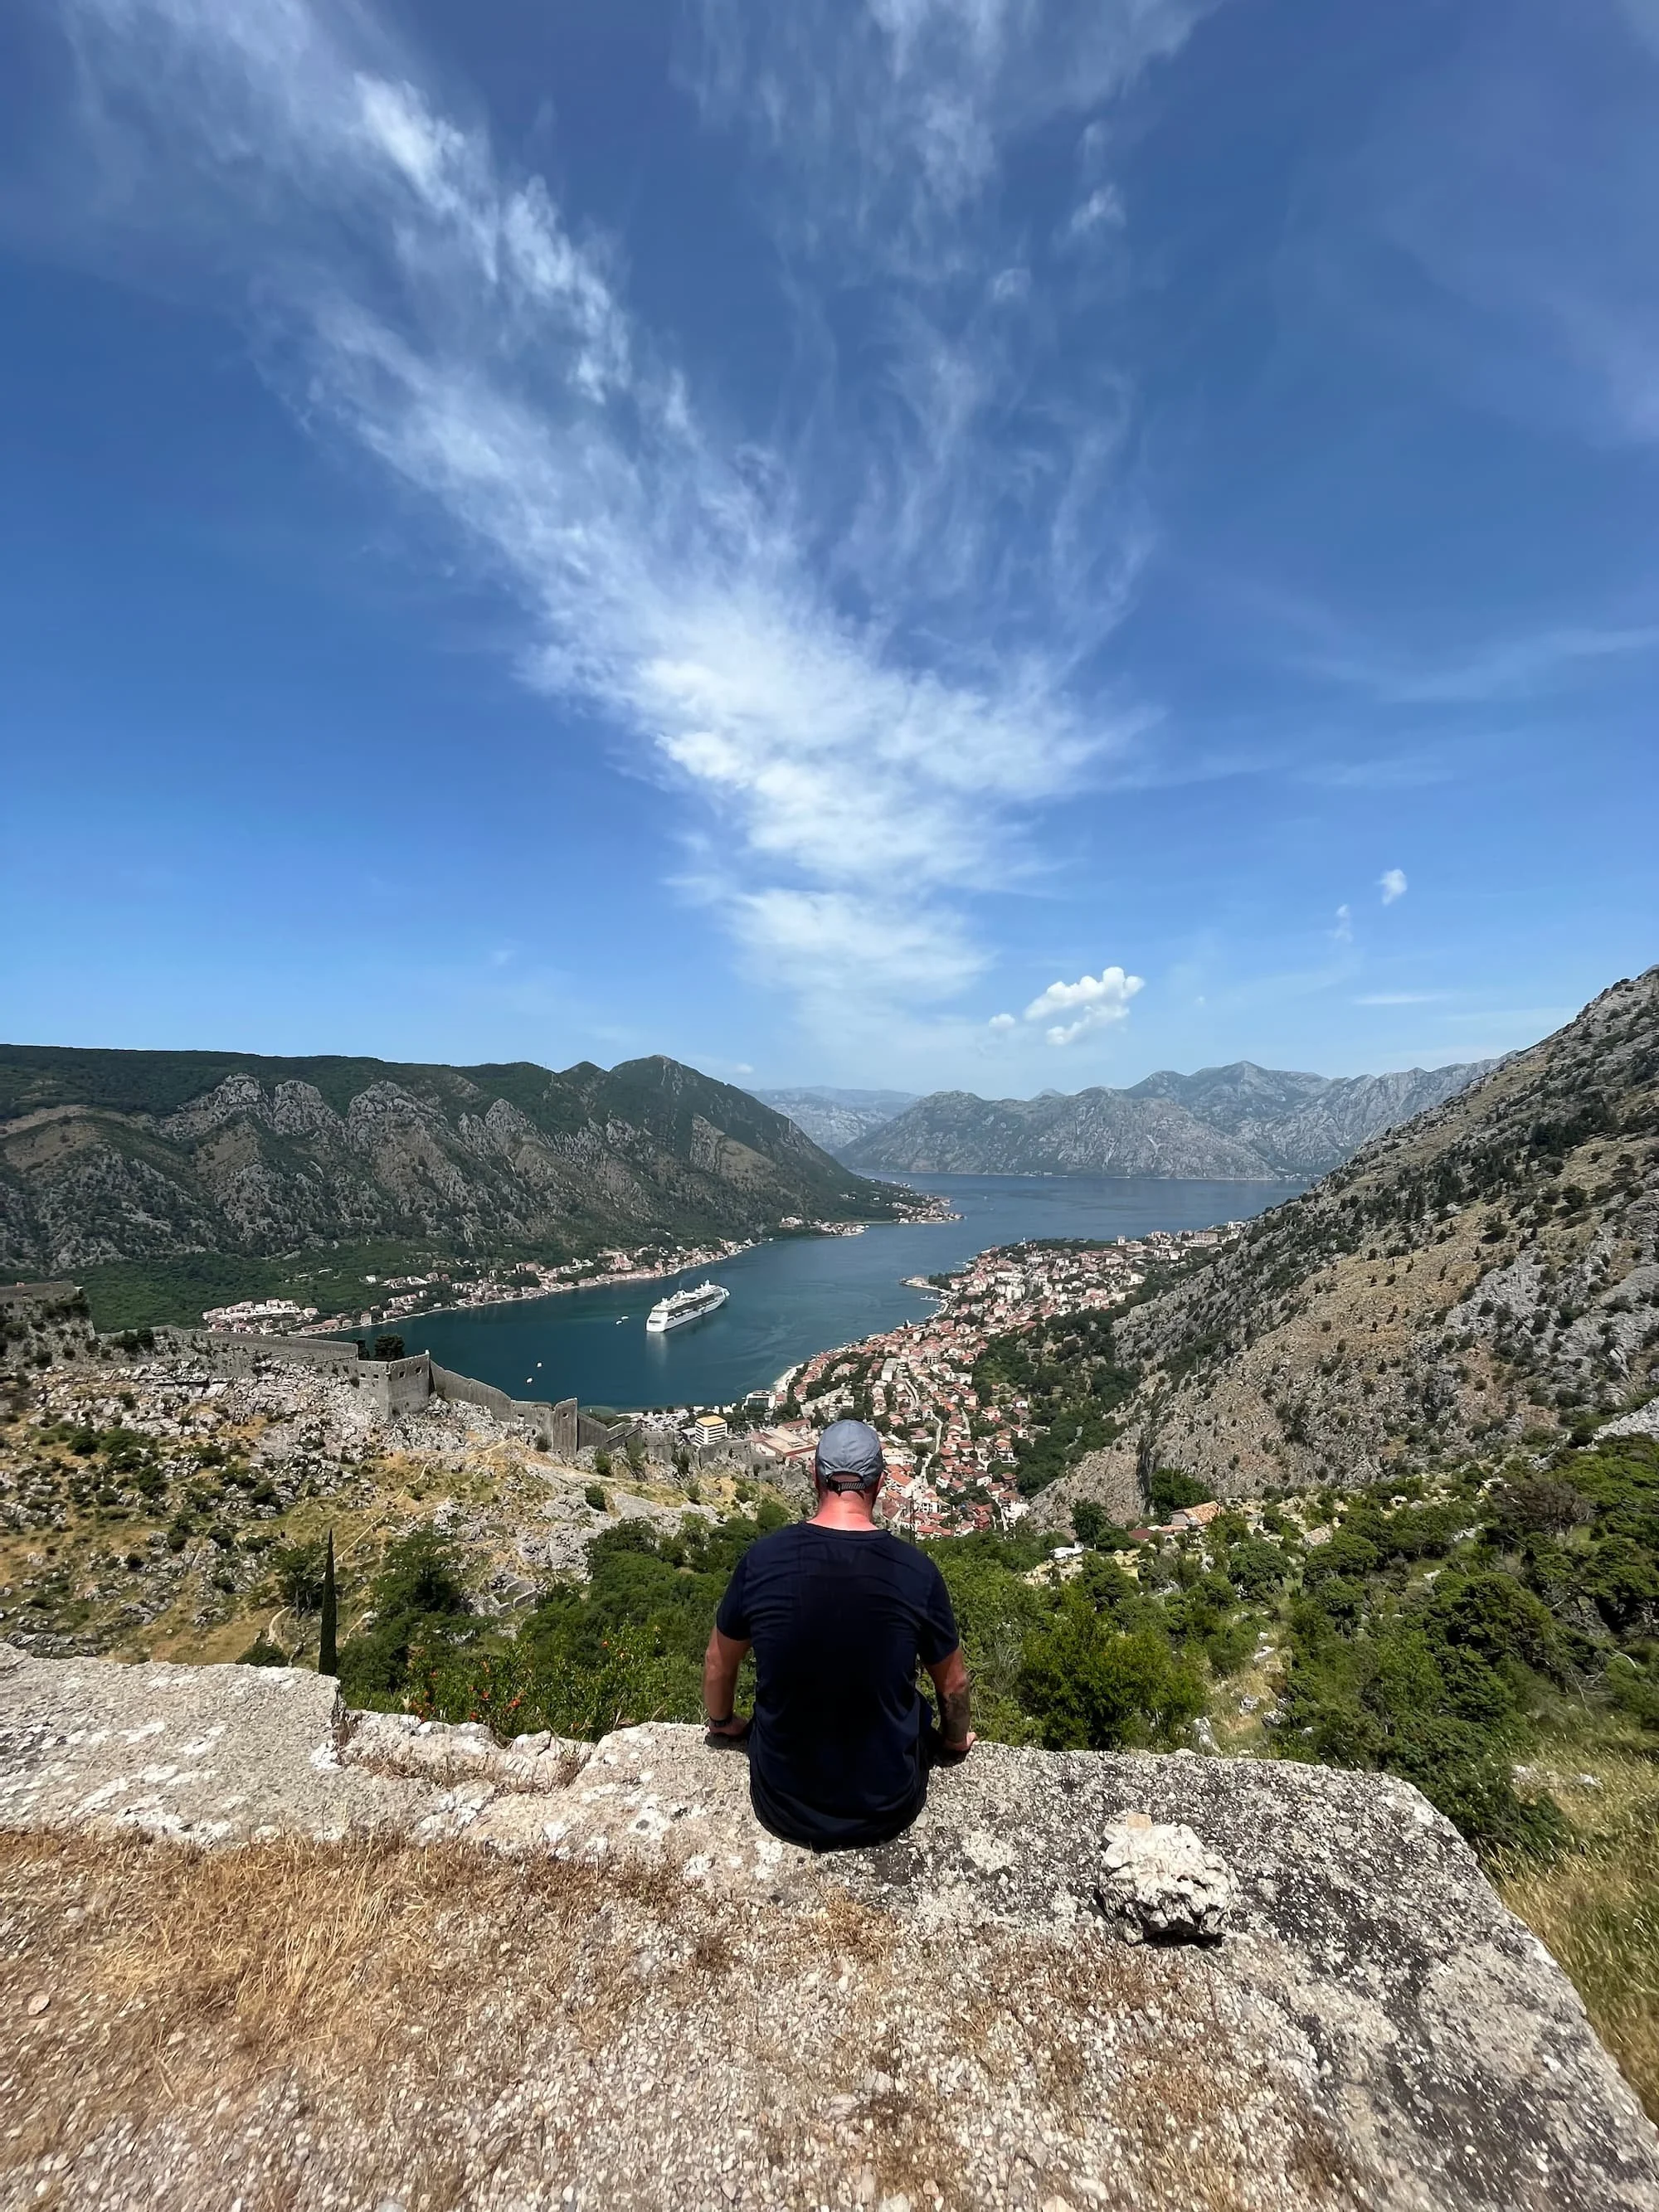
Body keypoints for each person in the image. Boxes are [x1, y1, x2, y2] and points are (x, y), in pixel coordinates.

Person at [701, 1417, 975, 1850]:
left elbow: (719, 1660)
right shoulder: (916, 1572)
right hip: (886, 1805)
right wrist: (955, 1740)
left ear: (815, 1476)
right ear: (880, 1483)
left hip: (781, 1802)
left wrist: (723, 1722)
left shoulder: (762, 1561)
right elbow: (953, 1682)